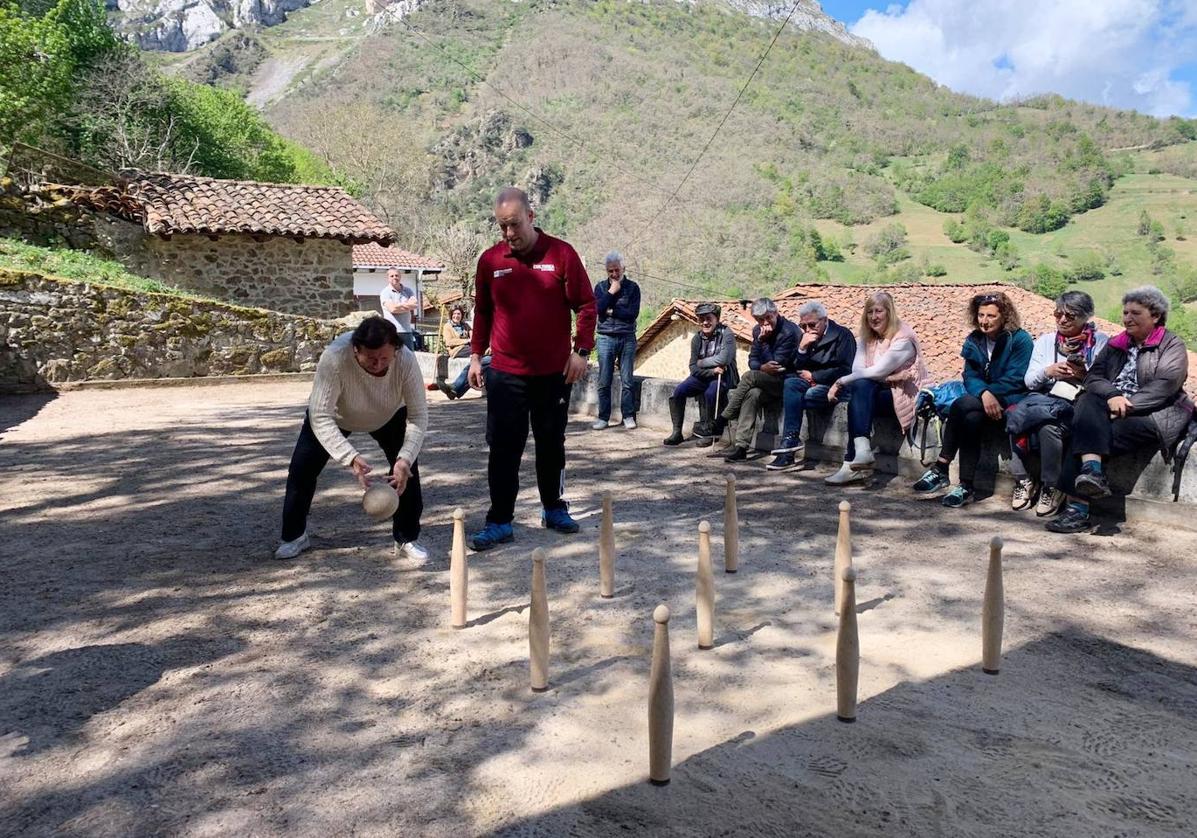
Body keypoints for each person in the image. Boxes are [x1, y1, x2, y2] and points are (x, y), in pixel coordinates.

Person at [466, 187, 597, 551]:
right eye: (502, 226)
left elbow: (586, 305)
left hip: (553, 373)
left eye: (515, 225)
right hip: (506, 374)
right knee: (504, 448)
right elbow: (484, 313)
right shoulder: (490, 261)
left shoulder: (561, 254)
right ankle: (499, 521)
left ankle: (553, 508)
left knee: (551, 444)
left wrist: (581, 351)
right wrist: (476, 356)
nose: (509, 233)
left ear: (531, 217)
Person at [275, 317, 428, 561]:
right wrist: (350, 457)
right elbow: (320, 414)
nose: (378, 365)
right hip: (336, 417)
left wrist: (405, 458)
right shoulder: (335, 356)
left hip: (389, 414)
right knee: (301, 470)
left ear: (396, 351)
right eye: (370, 359)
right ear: (356, 350)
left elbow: (418, 416)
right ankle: (294, 536)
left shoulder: (406, 360)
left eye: (385, 358)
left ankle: (406, 538)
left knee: (407, 472)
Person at [1047, 286, 1192, 534]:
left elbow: (1166, 386)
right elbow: (1093, 377)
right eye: (1125, 312)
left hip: (1154, 415)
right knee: (1088, 403)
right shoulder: (1118, 343)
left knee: (1085, 433)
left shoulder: (1171, 345)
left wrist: (1127, 404)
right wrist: (1113, 396)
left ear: (1155, 316)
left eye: (1135, 313)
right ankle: (1092, 471)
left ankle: (1078, 510)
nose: (1127, 318)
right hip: (1109, 407)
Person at [911, 291, 1032, 508]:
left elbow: (1016, 378)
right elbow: (969, 375)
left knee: (962, 404)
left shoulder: (1020, 340)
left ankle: (941, 467)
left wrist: (987, 393)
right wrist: (984, 395)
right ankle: (966, 486)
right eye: (981, 315)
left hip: (1010, 401)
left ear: (1005, 316)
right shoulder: (975, 339)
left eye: (991, 316)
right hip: (981, 403)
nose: (984, 322)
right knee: (971, 418)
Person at [1006, 290, 1108, 517]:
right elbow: (1030, 381)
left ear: (1085, 317)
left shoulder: (1101, 343)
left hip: (1077, 404)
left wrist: (1083, 375)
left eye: (1070, 316)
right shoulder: (1046, 341)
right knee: (1015, 416)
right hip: (1046, 398)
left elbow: (1106, 382)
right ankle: (1023, 480)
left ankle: (1051, 486)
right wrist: (1049, 371)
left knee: (1048, 428)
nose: (1062, 320)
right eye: (1058, 314)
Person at [823, 292, 930, 484]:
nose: (874, 317)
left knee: (860, 392)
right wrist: (885, 377)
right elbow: (859, 369)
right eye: (870, 312)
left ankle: (852, 463)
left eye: (879, 311)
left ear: (889, 313)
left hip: (904, 395)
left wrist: (840, 382)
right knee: (861, 388)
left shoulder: (903, 339)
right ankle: (861, 451)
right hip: (880, 390)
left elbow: (877, 371)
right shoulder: (867, 337)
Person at [766, 301, 856, 471]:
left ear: (824, 320)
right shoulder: (806, 337)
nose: (808, 329)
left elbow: (846, 369)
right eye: (803, 325)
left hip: (834, 387)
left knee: (803, 397)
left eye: (812, 325)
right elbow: (794, 367)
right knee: (791, 384)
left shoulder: (843, 335)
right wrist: (801, 349)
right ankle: (790, 441)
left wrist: (814, 376)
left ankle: (787, 452)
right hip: (809, 383)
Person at [709, 298, 800, 463]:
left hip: (786, 382)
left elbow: (777, 365)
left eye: (768, 318)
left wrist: (764, 344)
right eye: (760, 320)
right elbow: (752, 361)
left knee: (749, 376)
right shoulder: (758, 331)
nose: (765, 323)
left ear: (776, 313)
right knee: (753, 393)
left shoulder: (789, 332)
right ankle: (741, 447)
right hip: (767, 382)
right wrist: (761, 357)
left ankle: (722, 419)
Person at [663, 302, 739, 446]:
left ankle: (710, 432)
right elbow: (693, 367)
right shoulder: (697, 339)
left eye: (709, 318)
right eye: (701, 319)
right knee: (678, 392)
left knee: (711, 393)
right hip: (706, 375)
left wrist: (701, 362)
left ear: (716, 319)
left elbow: (724, 359)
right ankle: (677, 432)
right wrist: (711, 369)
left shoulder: (726, 334)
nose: (705, 322)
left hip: (724, 376)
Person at [591, 251, 641, 430]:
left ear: (623, 269)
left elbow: (632, 314)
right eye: (610, 271)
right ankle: (603, 417)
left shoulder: (633, 288)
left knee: (627, 379)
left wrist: (611, 311)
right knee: (604, 380)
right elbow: (598, 308)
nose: (614, 274)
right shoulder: (601, 288)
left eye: (617, 270)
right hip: (605, 337)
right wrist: (612, 292)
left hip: (627, 337)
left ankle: (628, 415)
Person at [379, 269, 420, 351]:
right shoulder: (385, 292)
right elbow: (392, 309)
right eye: (392, 276)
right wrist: (407, 305)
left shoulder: (408, 291)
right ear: (388, 278)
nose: (395, 277)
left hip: (407, 331)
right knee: (393, 358)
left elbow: (415, 304)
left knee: (409, 359)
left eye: (397, 275)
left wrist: (398, 306)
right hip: (392, 332)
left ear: (400, 277)